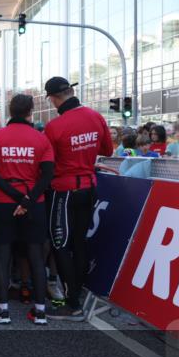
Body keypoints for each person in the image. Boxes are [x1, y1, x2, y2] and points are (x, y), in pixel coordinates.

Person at [42, 77, 114, 321]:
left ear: (53, 98)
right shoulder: (96, 117)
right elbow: (107, 151)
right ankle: (77, 295)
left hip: (64, 191)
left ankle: (72, 304)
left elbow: (46, 164)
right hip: (89, 188)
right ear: (71, 91)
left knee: (61, 245)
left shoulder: (55, 126)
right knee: (80, 243)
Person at [0, 94, 55, 325]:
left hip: (3, 202)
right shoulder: (41, 139)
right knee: (36, 255)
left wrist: (15, 197)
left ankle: (3, 310)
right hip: (34, 203)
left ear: (10, 111)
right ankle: (41, 310)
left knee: (2, 255)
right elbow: (47, 175)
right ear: (30, 112)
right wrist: (27, 201)